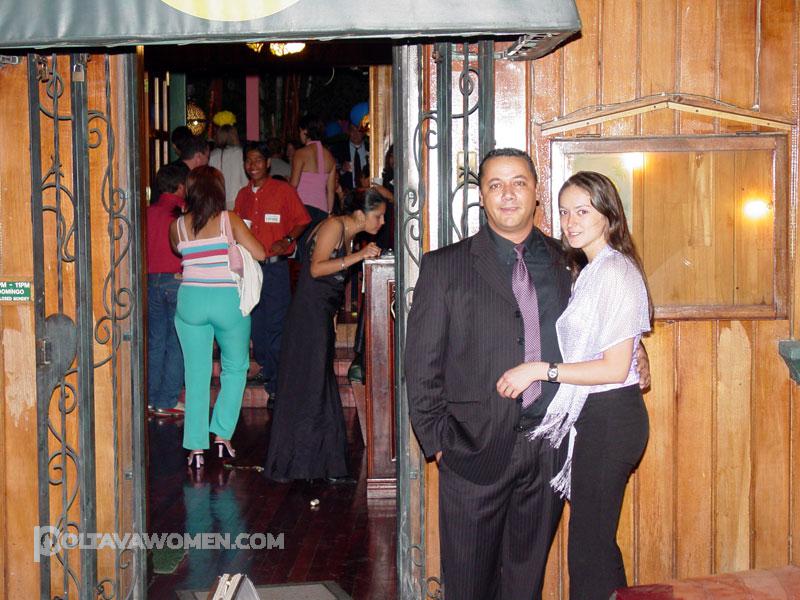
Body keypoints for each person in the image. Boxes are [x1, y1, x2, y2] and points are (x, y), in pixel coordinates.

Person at [405, 148, 650, 600]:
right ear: (481, 196)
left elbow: (606, 321)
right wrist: (438, 442)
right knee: (468, 586)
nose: (508, 194)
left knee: (525, 584)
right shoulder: (444, 267)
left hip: (548, 448)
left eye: (518, 182)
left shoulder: (568, 261)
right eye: (495, 185)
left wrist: (638, 351)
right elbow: (421, 365)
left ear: (536, 193)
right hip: (471, 450)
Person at [496, 171, 651, 600]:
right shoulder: (591, 270)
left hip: (611, 416)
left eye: (582, 211)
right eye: (564, 212)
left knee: (588, 548)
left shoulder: (615, 271)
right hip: (598, 416)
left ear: (609, 215)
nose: (570, 222)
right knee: (595, 543)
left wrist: (537, 370)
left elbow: (614, 368)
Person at [264, 188, 384, 482]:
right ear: (360, 214)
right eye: (378, 216)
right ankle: (296, 465)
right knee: (310, 386)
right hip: (307, 316)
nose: (382, 222)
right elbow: (316, 269)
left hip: (319, 315)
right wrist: (358, 256)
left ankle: (325, 465)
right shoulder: (334, 226)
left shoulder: (348, 234)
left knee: (319, 385)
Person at [169, 166, 266, 469]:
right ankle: (222, 434)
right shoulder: (229, 219)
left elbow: (179, 252)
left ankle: (196, 447)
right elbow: (261, 253)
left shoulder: (177, 226)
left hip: (191, 301)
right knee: (235, 368)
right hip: (227, 301)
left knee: (195, 374)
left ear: (190, 191)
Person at [234, 142, 311, 404]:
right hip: (251, 269)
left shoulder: (283, 190)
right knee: (256, 326)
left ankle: (278, 384)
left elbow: (302, 220)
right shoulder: (243, 196)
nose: (252, 165)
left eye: (258, 160)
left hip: (276, 269)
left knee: (277, 326)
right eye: (248, 161)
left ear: (268, 163)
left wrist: (288, 238)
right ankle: (268, 369)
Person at [146, 162, 189, 417]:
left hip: (151, 281)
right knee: (177, 343)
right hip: (177, 279)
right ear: (182, 186)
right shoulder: (183, 212)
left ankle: (150, 398)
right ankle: (167, 399)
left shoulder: (147, 212)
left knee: (155, 341)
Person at [290, 114, 337, 263]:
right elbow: (331, 191)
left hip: (303, 209)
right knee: (315, 253)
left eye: (300, 131)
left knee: (303, 253)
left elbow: (293, 186)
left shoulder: (300, 153)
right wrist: (329, 214)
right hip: (322, 211)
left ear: (305, 131)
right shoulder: (330, 157)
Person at [209, 124, 248, 211]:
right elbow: (245, 179)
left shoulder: (213, 155)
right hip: (236, 198)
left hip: (218, 201)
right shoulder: (239, 153)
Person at [333, 121, 369, 192]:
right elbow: (332, 174)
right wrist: (342, 170)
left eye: (358, 130)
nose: (355, 133)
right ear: (348, 132)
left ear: (363, 133)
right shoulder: (339, 149)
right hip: (347, 193)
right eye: (352, 130)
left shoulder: (371, 148)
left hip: (367, 191)